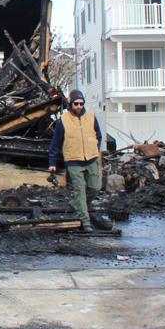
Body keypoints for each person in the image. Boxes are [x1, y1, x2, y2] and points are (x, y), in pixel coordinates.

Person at [47, 89, 111, 232]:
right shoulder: (63, 120)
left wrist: (94, 148)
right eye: (76, 103)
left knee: (95, 188)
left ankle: (77, 205)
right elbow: (55, 143)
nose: (79, 106)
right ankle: (85, 222)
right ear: (71, 103)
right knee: (80, 191)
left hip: (92, 158)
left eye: (81, 103)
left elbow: (99, 136)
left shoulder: (91, 116)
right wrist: (52, 163)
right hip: (73, 160)